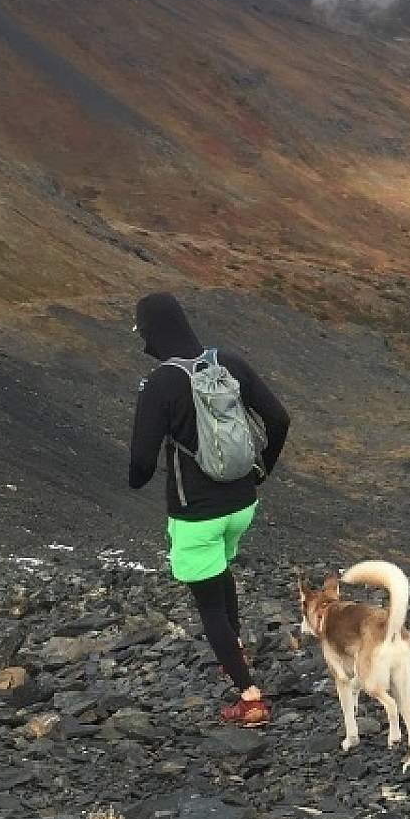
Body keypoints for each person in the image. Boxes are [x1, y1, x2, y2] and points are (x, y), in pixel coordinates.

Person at [128, 293, 291, 727]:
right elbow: (279, 419)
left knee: (208, 603)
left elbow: (141, 463)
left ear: (152, 332)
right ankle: (234, 650)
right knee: (221, 571)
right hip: (241, 503)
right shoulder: (228, 364)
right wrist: (262, 471)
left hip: (196, 512)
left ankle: (249, 696)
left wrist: (134, 480)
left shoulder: (161, 383)